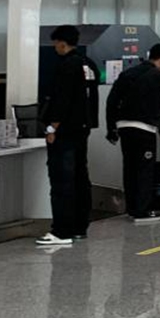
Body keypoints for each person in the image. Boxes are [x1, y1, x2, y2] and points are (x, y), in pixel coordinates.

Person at [106, 44, 160, 224]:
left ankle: (132, 208)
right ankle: (142, 212)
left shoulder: (127, 74)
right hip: (144, 129)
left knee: (129, 168)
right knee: (144, 169)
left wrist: (111, 128)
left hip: (124, 127)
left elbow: (111, 101)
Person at [37, 25, 100, 246]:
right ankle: (80, 227)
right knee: (80, 178)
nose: (55, 48)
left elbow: (61, 99)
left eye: (56, 44)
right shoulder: (88, 64)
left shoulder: (67, 66)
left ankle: (61, 231)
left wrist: (52, 128)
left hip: (65, 132)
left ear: (62, 43)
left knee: (62, 180)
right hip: (82, 129)